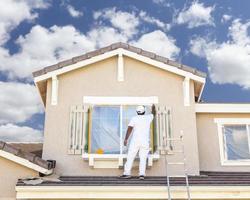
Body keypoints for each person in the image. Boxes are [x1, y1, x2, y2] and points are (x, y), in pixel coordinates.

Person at [120, 105, 156, 180]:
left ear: (137, 112)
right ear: (144, 112)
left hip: (135, 141)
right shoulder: (148, 118)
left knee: (130, 156)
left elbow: (130, 128)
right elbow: (154, 113)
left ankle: (127, 173)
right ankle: (141, 174)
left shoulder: (134, 118)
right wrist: (153, 107)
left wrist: (126, 139)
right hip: (145, 141)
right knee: (143, 158)